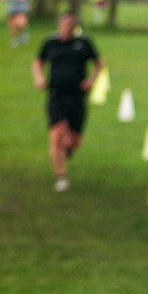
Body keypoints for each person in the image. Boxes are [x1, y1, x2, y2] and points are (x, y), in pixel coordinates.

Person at [33, 10, 104, 192]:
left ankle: (68, 150)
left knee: (74, 141)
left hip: (77, 97)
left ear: (75, 27)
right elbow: (38, 62)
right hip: (56, 95)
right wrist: (39, 78)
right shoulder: (51, 43)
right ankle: (61, 175)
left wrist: (91, 80)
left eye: (70, 26)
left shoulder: (83, 43)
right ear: (59, 25)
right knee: (56, 136)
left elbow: (99, 63)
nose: (67, 29)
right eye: (64, 25)